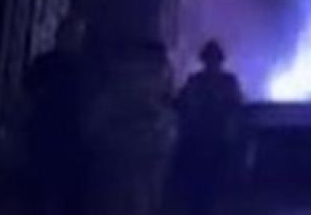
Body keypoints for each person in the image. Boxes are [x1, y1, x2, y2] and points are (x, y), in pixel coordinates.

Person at [88, 38, 178, 215]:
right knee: (134, 196)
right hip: (133, 147)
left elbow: (167, 111)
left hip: (148, 147)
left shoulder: (158, 78)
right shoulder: (132, 80)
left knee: (143, 195)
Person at [21, 15, 92, 215]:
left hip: (72, 139)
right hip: (46, 135)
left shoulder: (86, 68)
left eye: (77, 35)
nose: (73, 40)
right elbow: (27, 96)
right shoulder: (45, 64)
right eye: (70, 34)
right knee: (42, 190)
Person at [175, 40, 246, 215]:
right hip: (199, 139)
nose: (212, 63)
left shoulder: (226, 82)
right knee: (199, 183)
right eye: (209, 59)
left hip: (216, 139)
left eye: (214, 59)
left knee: (213, 183)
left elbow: (235, 107)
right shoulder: (197, 81)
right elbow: (183, 104)